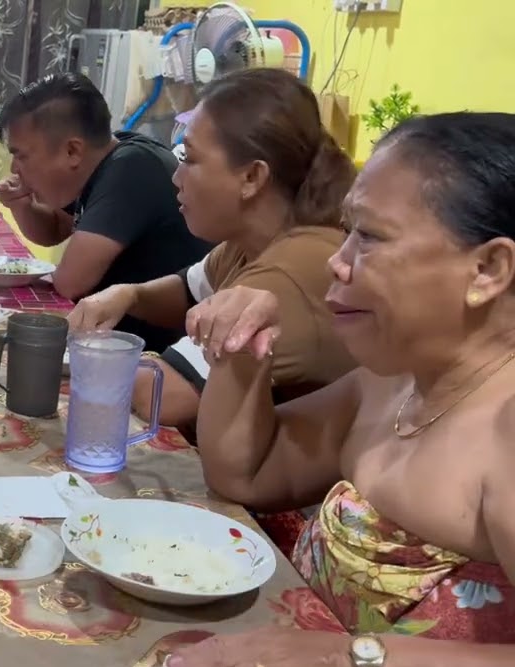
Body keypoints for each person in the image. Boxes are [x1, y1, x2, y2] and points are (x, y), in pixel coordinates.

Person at [159, 112, 515, 667]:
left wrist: (354, 666)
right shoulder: (390, 384)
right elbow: (246, 474)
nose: (337, 261)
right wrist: (242, 350)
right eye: (347, 231)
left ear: (488, 270)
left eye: (369, 237)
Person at [67, 69, 357, 430]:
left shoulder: (290, 271)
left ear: (252, 177)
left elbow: (161, 397)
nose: (177, 177)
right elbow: (188, 290)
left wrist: (87, 355)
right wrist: (128, 295)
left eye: (189, 159)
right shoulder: (250, 240)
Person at [0, 72, 208, 351]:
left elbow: (70, 282)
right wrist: (21, 203)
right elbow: (55, 229)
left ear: (72, 151)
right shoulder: (108, 156)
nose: (14, 168)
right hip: (116, 342)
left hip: (153, 355)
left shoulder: (133, 168)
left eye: (21, 155)